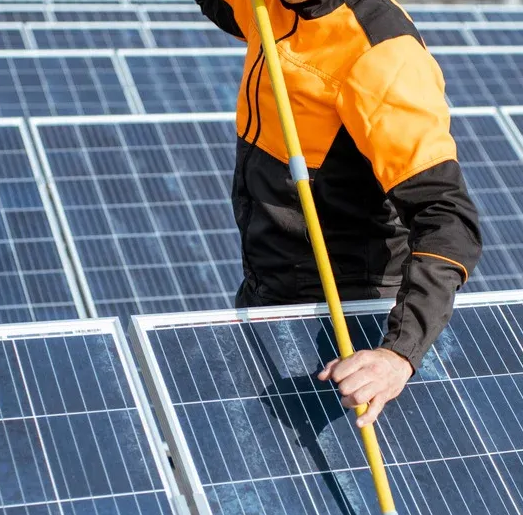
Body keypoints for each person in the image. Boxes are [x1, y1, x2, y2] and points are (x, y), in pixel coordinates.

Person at [196, 0, 482, 427]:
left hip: (350, 318)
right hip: (269, 291)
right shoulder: (266, 6)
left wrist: (397, 354)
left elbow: (447, 217)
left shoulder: (382, 55)